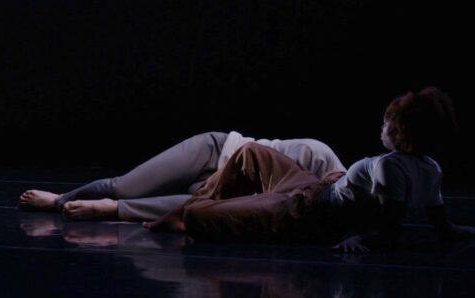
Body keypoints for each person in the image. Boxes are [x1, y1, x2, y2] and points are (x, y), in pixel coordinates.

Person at [145, 87, 475, 253]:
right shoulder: (431, 169)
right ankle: (185, 210)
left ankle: (188, 214)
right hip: (316, 185)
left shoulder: (390, 167)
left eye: (387, 122)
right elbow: (443, 226)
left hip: (304, 212)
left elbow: (391, 225)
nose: (382, 126)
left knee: (201, 217)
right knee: (250, 151)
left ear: (402, 130)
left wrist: (358, 239)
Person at [19, 131, 345, 222]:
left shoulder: (311, 211)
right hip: (218, 151)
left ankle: (110, 209)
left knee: (194, 208)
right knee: (124, 185)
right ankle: (59, 199)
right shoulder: (319, 156)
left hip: (224, 191)